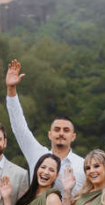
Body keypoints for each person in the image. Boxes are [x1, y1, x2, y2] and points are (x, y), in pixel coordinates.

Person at [5, 60, 83, 197]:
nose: (61, 133)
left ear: (73, 136)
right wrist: (11, 90)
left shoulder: (82, 164)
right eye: (57, 129)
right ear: (49, 134)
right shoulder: (37, 154)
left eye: (66, 130)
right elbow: (19, 126)